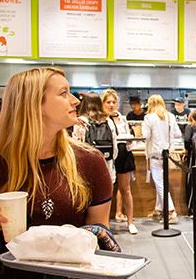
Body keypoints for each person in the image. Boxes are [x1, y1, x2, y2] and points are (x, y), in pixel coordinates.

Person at [0, 67, 113, 279]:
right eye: (63, 93)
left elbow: (100, 233)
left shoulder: (90, 162)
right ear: (33, 104)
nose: (75, 100)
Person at [102, 89, 138, 235]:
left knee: (126, 189)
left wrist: (130, 140)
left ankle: (130, 222)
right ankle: (105, 224)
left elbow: (129, 138)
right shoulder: (101, 119)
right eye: (108, 102)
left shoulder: (122, 118)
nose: (111, 105)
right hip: (108, 157)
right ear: (103, 103)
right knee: (107, 191)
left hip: (124, 154)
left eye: (113, 102)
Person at [143, 94, 181, 223]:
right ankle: (159, 209)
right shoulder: (170, 117)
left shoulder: (149, 118)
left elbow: (145, 136)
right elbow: (177, 133)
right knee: (162, 182)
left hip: (155, 156)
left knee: (160, 184)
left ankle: (171, 212)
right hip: (167, 155)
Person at [73, 93, 118, 184]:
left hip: (86, 170)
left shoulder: (80, 121)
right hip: (107, 169)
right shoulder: (108, 121)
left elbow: (76, 147)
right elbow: (115, 150)